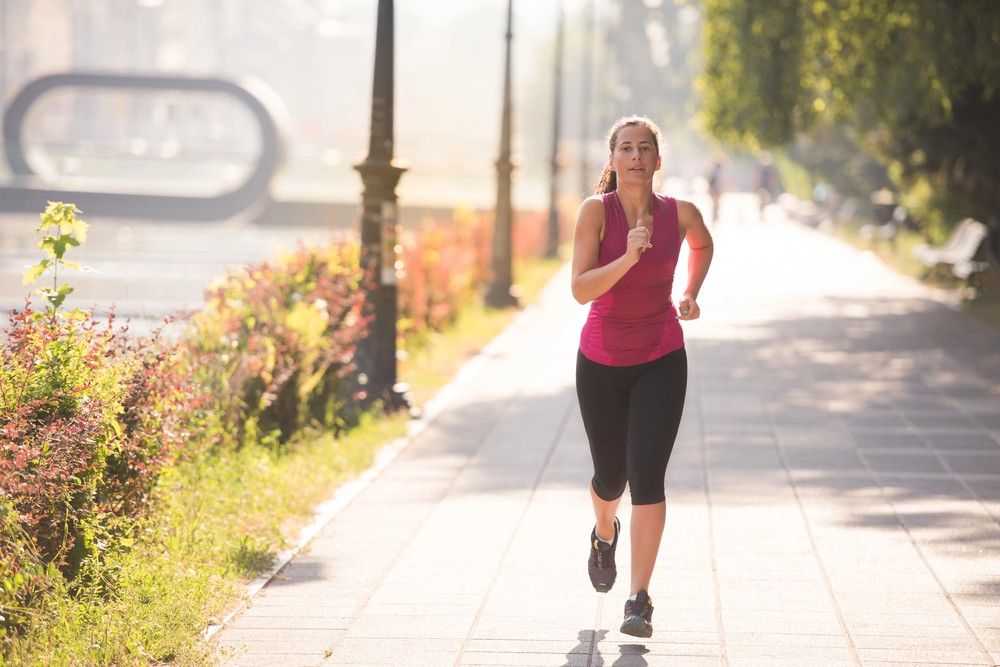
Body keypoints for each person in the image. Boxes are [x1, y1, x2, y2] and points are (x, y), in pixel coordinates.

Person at [570, 115, 713, 638]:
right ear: (613, 159)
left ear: (657, 159)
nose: (635, 156)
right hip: (601, 362)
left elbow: (703, 245)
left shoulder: (681, 213)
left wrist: (691, 292)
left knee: (647, 477)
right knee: (611, 478)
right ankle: (603, 530)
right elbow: (580, 289)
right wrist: (629, 257)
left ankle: (638, 598)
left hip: (661, 358)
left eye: (644, 148)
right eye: (626, 148)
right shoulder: (596, 212)